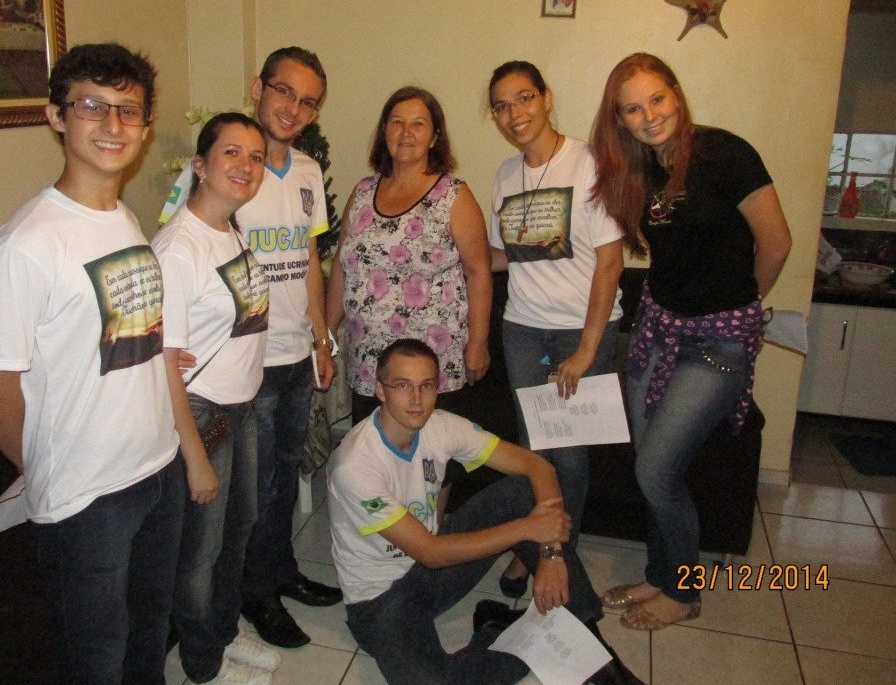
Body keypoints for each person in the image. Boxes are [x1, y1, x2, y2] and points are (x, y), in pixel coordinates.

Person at [0, 43, 186, 684]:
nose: (113, 125)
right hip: (88, 500)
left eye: (128, 109)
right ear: (56, 117)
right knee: (95, 661)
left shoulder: (123, 218)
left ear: (145, 126)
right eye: (92, 106)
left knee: (149, 637)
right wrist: (48, 464)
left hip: (157, 469)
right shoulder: (27, 244)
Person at [591, 53, 791, 631]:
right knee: (651, 466)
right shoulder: (638, 169)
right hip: (657, 328)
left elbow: (777, 242)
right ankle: (660, 574)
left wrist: (739, 310)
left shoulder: (725, 153)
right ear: (620, 119)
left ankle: (683, 591)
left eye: (656, 99)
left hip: (717, 344)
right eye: (633, 109)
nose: (649, 116)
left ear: (676, 94)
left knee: (656, 470)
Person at [327, 339, 643, 685]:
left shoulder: (441, 425)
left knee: (520, 492)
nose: (416, 399)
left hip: (432, 571)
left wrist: (551, 554)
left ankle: (597, 654)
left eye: (426, 385)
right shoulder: (355, 465)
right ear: (380, 391)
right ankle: (511, 633)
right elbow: (431, 552)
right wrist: (528, 528)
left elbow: (537, 467)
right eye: (402, 385)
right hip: (379, 598)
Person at [486, 61, 624, 615]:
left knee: (567, 452)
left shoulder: (590, 164)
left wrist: (587, 350)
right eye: (501, 105)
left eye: (524, 98)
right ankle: (535, 545)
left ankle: (559, 551)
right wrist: (449, 257)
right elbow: (505, 254)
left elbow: (611, 261)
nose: (514, 113)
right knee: (532, 449)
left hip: (581, 330)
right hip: (522, 327)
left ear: (546, 97)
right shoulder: (505, 175)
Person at [153, 113, 279, 685]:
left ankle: (222, 633)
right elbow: (164, 366)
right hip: (202, 413)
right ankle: (203, 663)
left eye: (255, 157)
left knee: (239, 527)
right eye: (232, 153)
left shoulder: (230, 231)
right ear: (200, 166)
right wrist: (195, 457)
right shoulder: (179, 248)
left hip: (241, 406)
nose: (246, 166)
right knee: (200, 552)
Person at [236, 46, 342, 649]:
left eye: (308, 102)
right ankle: (254, 594)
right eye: (284, 92)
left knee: (283, 476)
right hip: (245, 361)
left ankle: (279, 570)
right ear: (259, 88)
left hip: (296, 355)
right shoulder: (227, 163)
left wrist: (321, 339)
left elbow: (309, 257)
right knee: (252, 488)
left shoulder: (306, 171)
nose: (293, 108)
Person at [326, 85, 491, 422]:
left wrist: (478, 343)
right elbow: (342, 268)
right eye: (397, 122)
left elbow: (478, 273)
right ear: (384, 131)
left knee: (431, 452)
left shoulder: (454, 196)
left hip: (431, 368)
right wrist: (326, 337)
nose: (406, 132)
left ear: (434, 137)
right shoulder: (362, 193)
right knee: (372, 450)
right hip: (370, 363)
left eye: (418, 123)